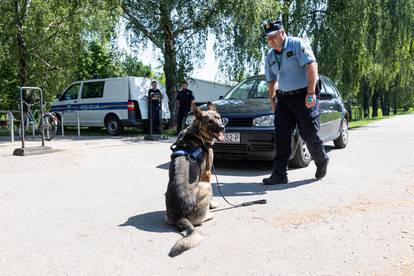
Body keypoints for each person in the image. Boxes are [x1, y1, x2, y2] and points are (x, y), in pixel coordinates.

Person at [261, 20, 329, 185]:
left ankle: (321, 160)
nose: (271, 41)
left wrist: (311, 93)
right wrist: (273, 102)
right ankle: (279, 174)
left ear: (283, 33)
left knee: (309, 134)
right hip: (283, 98)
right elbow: (271, 82)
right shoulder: (270, 57)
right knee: (282, 136)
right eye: (268, 38)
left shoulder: (296, 44)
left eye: (273, 37)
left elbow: (312, 66)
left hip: (303, 95)